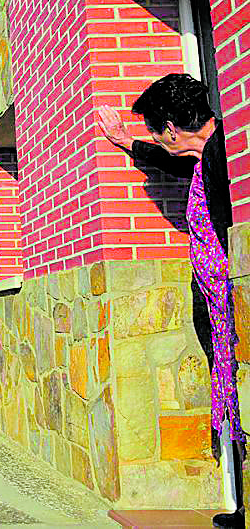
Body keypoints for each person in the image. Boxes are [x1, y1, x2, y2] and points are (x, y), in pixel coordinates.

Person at [97, 73, 243, 528]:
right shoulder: (204, 156)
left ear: (174, 129)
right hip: (218, 302)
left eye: (159, 130)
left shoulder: (226, 156)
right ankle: (241, 505)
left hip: (232, 299)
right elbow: (168, 161)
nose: (161, 140)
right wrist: (126, 142)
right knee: (232, 390)